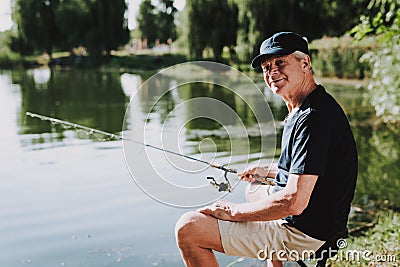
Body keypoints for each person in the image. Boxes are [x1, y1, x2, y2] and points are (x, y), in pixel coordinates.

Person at [175, 32, 358, 267]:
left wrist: (234, 212)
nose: (272, 73)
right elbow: (309, 166)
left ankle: (275, 244)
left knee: (188, 229)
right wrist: (267, 170)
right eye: (266, 67)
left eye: (280, 63)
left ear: (305, 63)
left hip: (307, 233)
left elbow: (294, 202)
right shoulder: (303, 107)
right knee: (255, 187)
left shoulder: (314, 118)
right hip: (316, 216)